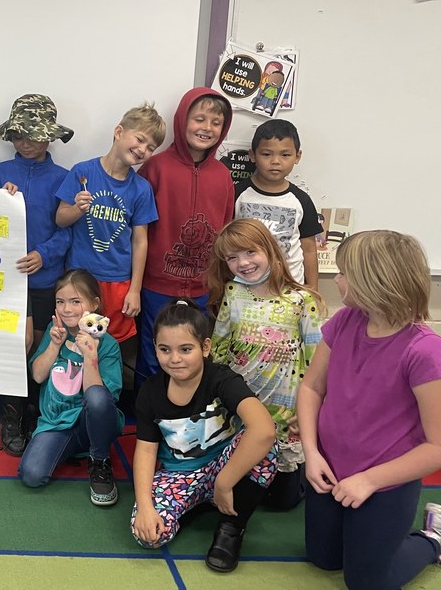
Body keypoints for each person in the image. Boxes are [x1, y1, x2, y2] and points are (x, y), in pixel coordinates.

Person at [297, 230, 441, 590]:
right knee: (323, 559)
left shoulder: (424, 351)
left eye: (344, 273)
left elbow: (436, 447)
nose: (337, 279)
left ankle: (432, 539)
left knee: (367, 583)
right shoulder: (345, 322)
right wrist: (311, 454)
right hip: (329, 469)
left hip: (384, 483)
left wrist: (370, 480)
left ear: (373, 282)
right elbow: (312, 387)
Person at [132, 299, 277, 573]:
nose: (175, 358)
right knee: (149, 535)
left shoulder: (221, 378)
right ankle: (197, 500)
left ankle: (231, 527)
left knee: (267, 445)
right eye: (165, 350)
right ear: (156, 349)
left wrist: (224, 482)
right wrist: (145, 506)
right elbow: (146, 450)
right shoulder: (150, 392)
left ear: (205, 347)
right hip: (179, 474)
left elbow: (264, 430)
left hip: (224, 466)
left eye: (185, 349)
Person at [208, 218, 323, 509]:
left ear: (270, 250)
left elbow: (316, 359)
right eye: (232, 258)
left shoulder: (301, 299)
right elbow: (219, 346)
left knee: (281, 503)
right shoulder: (232, 292)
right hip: (241, 403)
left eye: (250, 252)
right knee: (240, 480)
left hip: (285, 409)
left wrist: (310, 408)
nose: (242, 263)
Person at [56, 103, 164, 387]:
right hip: (81, 280)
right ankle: (71, 400)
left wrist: (135, 289)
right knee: (75, 342)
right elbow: (60, 219)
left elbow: (140, 241)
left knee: (110, 348)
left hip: (119, 283)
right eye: (140, 139)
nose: (143, 150)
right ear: (119, 132)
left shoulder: (141, 189)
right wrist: (77, 209)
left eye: (151, 147)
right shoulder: (83, 172)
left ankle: (106, 402)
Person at [0, 94, 74, 455]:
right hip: (6, 281)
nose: (26, 142)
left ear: (50, 136)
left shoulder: (63, 177)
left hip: (44, 279)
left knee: (43, 346)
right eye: (19, 135)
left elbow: (68, 230)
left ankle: (39, 411)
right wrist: (0, 199)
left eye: (34, 135)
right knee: (14, 345)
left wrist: (43, 254)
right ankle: (9, 414)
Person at [136, 88, 235, 381]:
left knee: (194, 358)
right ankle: (149, 422)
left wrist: (220, 281)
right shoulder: (155, 167)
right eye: (199, 119)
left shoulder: (222, 175)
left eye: (215, 122)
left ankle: (185, 422)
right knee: (154, 353)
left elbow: (226, 228)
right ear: (182, 120)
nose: (206, 128)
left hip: (204, 287)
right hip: (156, 284)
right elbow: (138, 228)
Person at [19, 269, 123, 507]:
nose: (67, 309)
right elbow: (37, 376)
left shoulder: (108, 345)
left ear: (94, 304)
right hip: (58, 422)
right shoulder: (53, 331)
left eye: (76, 302)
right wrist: (54, 346)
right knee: (32, 475)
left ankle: (99, 459)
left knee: (97, 396)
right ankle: (74, 448)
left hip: (92, 420)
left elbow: (104, 400)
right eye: (60, 302)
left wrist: (90, 358)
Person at [234, 119, 320, 290]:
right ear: (252, 155)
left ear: (298, 156)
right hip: (244, 288)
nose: (275, 161)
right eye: (266, 154)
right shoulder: (237, 194)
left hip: (289, 288)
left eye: (285, 155)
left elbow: (309, 249)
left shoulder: (301, 200)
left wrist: (313, 287)